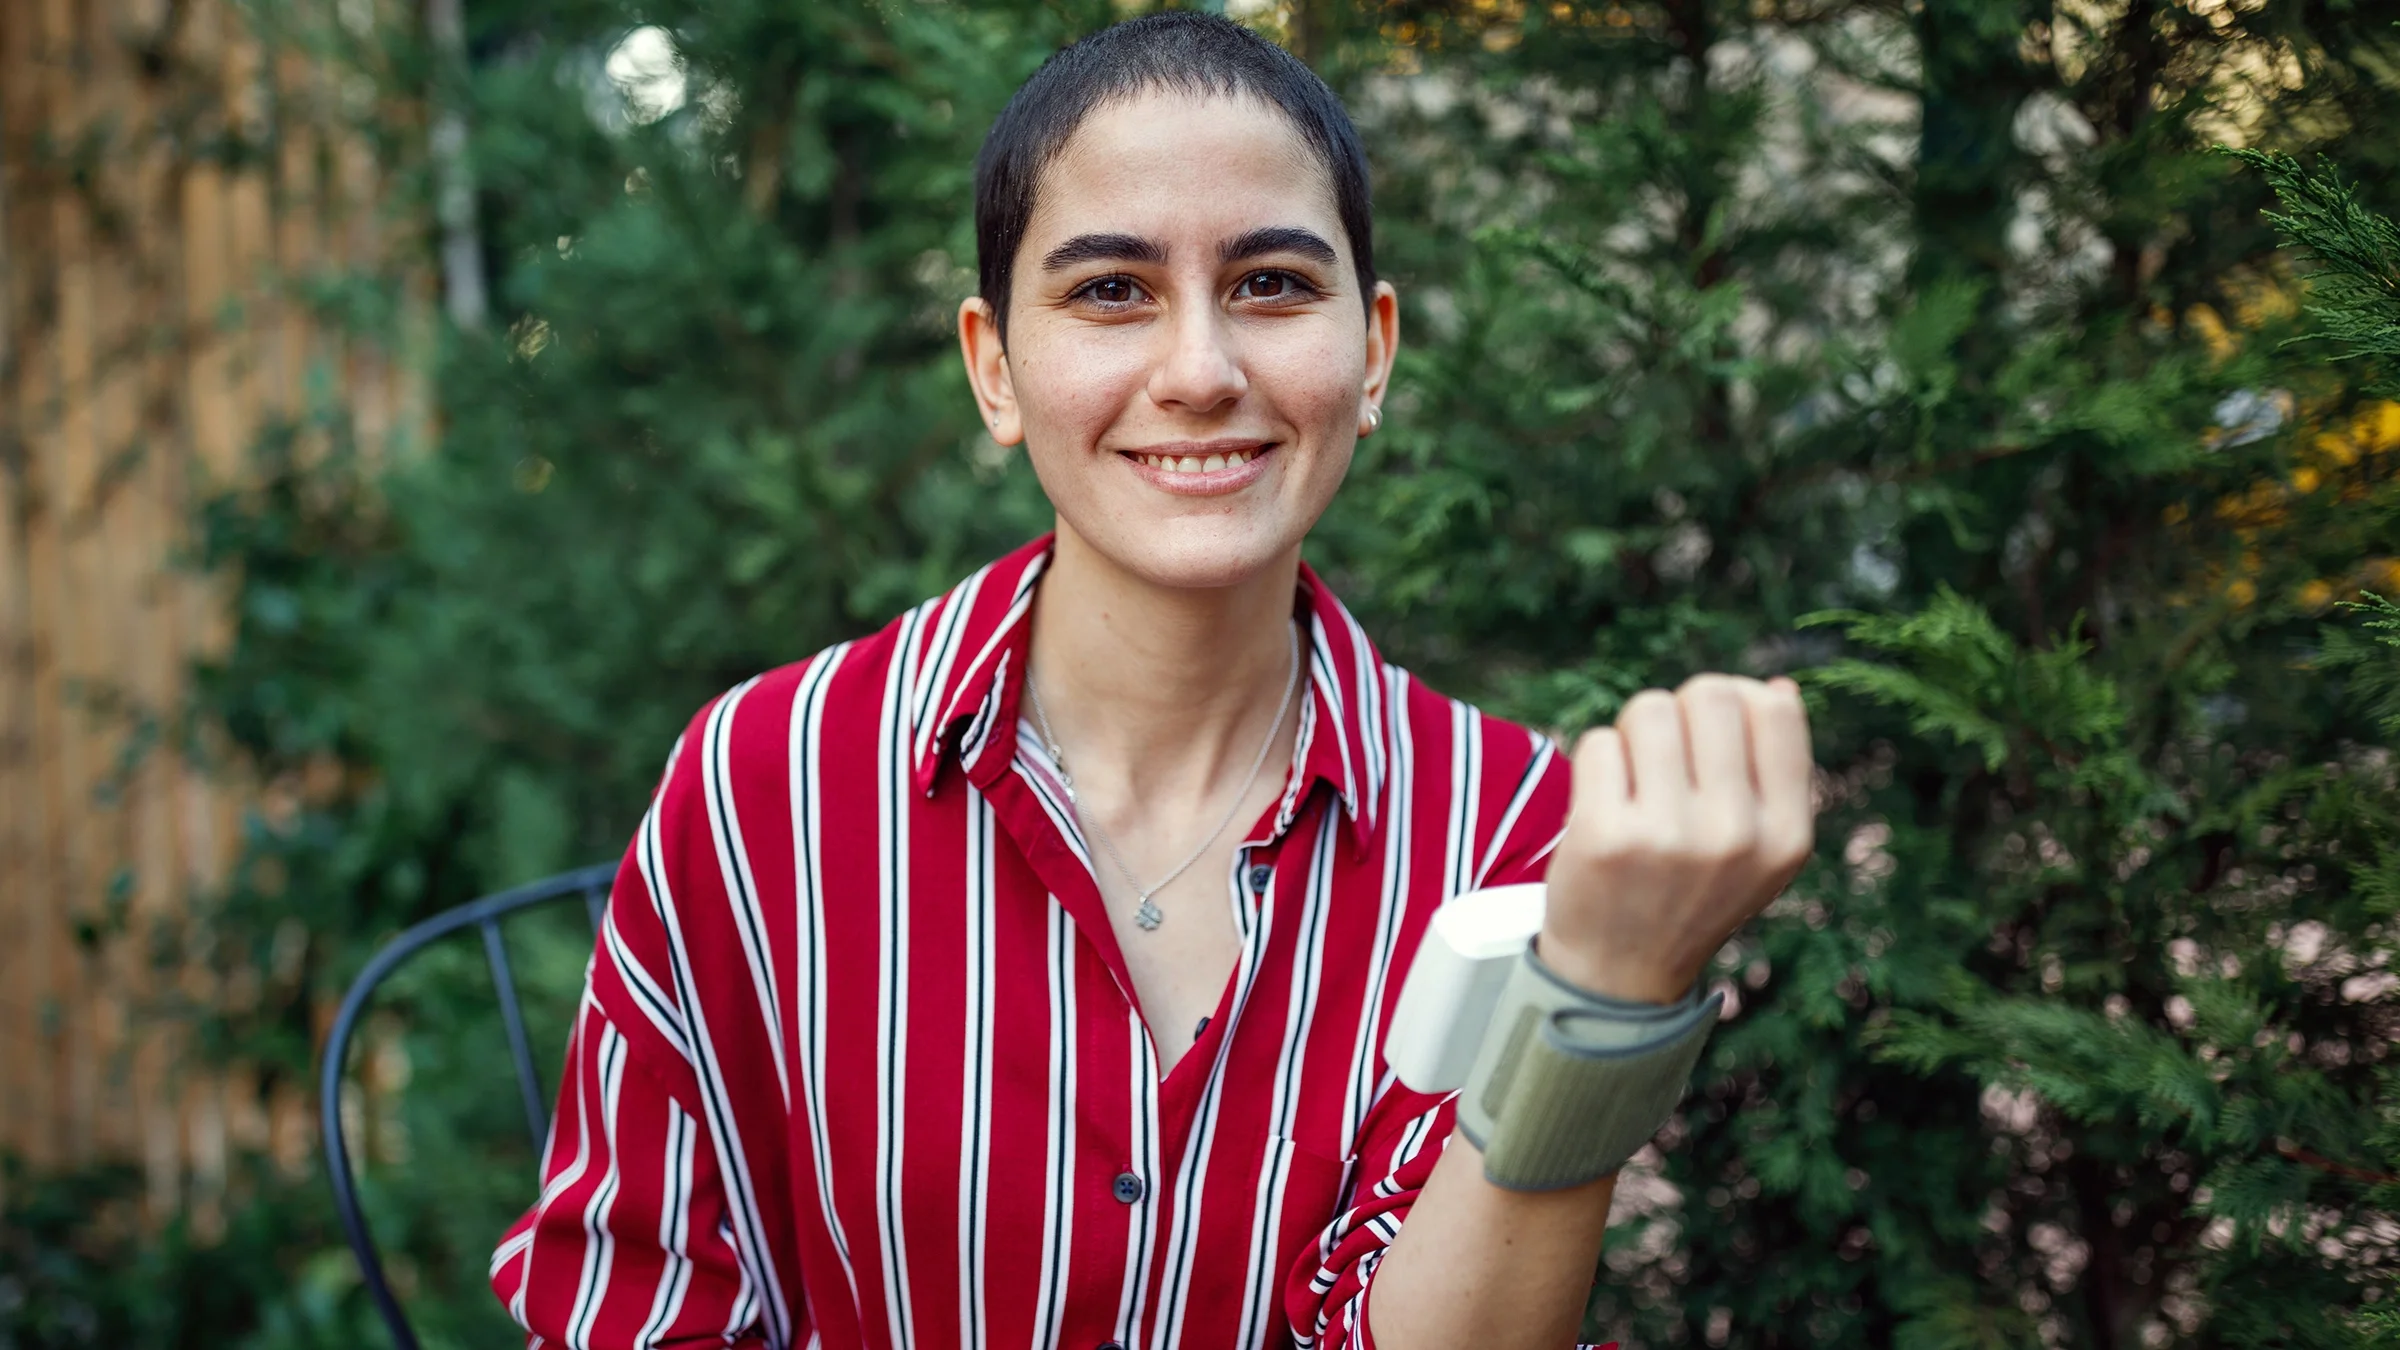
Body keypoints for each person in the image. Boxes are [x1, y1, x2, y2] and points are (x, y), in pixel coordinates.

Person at [491, 13, 1814, 1350]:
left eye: (1274, 285)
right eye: (1111, 290)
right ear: (994, 367)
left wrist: (1602, 996)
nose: (1200, 371)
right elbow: (637, 1310)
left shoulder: (1513, 827)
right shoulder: (768, 778)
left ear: (1375, 353)